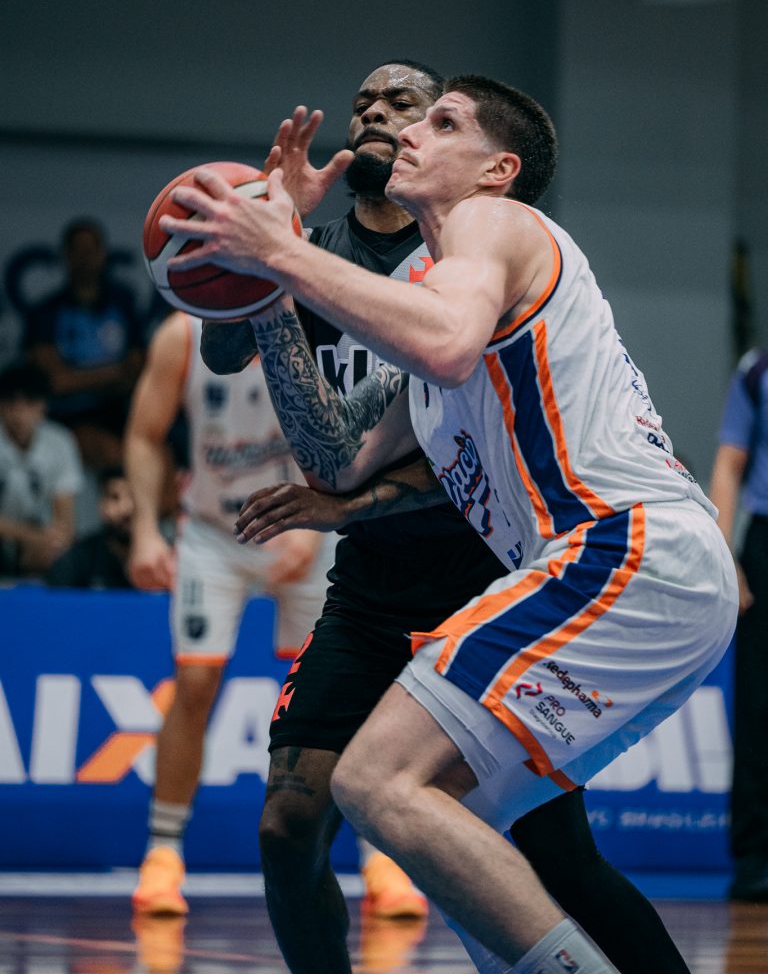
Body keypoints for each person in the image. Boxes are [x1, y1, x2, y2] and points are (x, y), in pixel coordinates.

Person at [165, 73, 738, 974]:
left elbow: (445, 343)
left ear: (496, 169)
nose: (407, 131)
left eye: (441, 120)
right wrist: (271, 290)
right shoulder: (432, 292)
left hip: (620, 549)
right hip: (628, 573)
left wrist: (282, 251)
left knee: (373, 781)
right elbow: (334, 460)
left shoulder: (493, 222)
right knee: (450, 825)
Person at [125, 309, 332, 917]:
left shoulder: (317, 316)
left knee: (339, 688)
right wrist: (144, 529)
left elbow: (358, 427)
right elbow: (143, 434)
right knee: (194, 682)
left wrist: (319, 514)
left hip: (307, 520)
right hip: (215, 533)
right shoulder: (181, 334)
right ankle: (163, 854)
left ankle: (381, 860)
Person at [710, 347, 768, 902]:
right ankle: (754, 861)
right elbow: (729, 465)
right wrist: (727, 557)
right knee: (758, 707)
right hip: (765, 545)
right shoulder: (757, 370)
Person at [23, 217, 146, 469]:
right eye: (78, 250)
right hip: (67, 416)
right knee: (104, 449)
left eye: (91, 250)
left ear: (103, 254)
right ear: (66, 255)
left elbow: (138, 369)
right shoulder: (46, 312)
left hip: (122, 411)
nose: (85, 258)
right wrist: (115, 373)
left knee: (158, 446)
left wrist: (82, 378)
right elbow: (56, 381)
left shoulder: (123, 304)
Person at [0, 359, 84, 580]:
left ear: (43, 406)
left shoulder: (60, 442)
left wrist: (51, 539)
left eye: (29, 402)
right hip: (11, 533)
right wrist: (29, 535)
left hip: (36, 534)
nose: (19, 412)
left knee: (57, 550)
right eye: (11, 402)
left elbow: (65, 521)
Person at [47, 465, 136, 590]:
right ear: (101, 505)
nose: (125, 508)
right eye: (114, 497)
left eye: (134, 497)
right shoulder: (76, 560)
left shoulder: (163, 559)